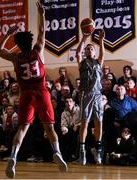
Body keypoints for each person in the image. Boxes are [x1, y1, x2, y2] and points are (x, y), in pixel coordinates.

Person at [0, 1, 67, 178]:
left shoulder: (15, 57)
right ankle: (57, 152)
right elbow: (43, 32)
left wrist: (8, 34)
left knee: (22, 128)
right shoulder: (38, 50)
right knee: (49, 128)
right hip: (42, 93)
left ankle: (13, 156)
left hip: (26, 94)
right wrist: (42, 14)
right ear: (30, 41)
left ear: (18, 44)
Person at [75, 28, 105, 165]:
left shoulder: (99, 62)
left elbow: (102, 53)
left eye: (91, 49)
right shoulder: (82, 63)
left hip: (98, 95)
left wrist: (100, 41)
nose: (89, 50)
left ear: (94, 52)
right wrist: (83, 38)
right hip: (85, 95)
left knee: (99, 122)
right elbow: (77, 53)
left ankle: (97, 149)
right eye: (87, 49)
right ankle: (82, 151)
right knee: (85, 122)